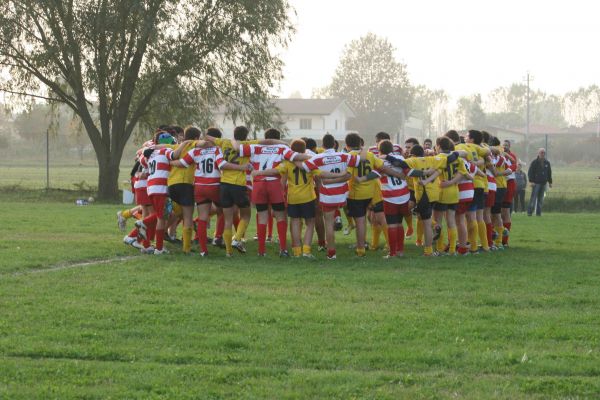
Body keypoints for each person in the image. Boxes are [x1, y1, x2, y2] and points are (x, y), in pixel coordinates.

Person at [527, 148, 552, 216]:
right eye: (541, 152)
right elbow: (530, 172)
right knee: (533, 198)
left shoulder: (547, 163)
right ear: (538, 153)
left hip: (544, 184)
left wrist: (550, 182)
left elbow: (549, 173)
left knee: (541, 199)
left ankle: (538, 213)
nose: (542, 154)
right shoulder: (534, 162)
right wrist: (531, 181)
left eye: (544, 153)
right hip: (536, 183)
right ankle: (530, 212)